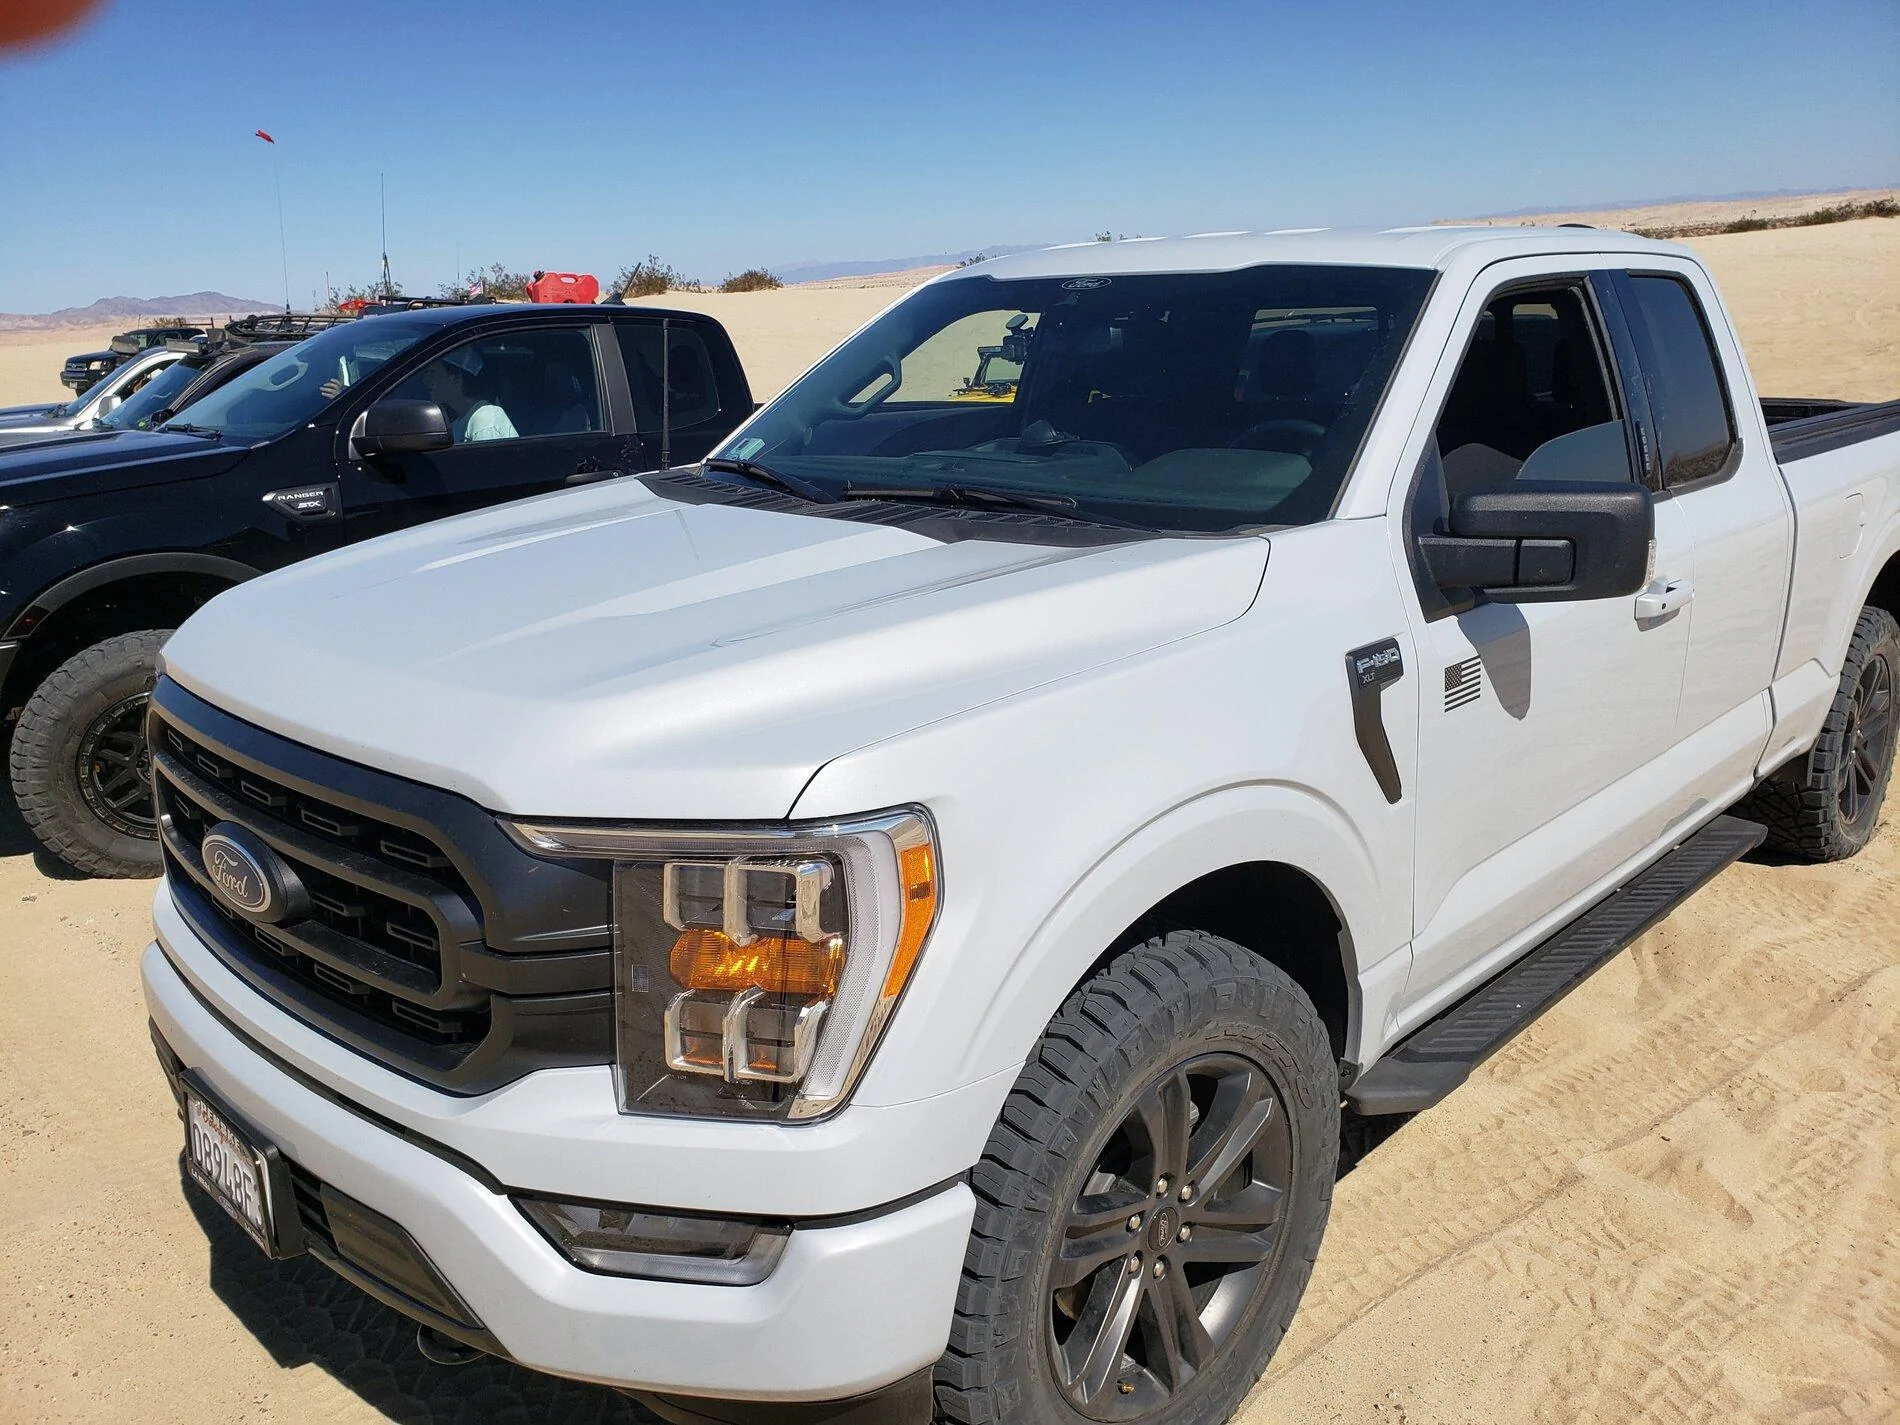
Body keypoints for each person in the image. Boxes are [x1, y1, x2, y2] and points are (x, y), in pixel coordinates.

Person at [420, 349, 517, 442]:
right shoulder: (460, 423)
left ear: (456, 379)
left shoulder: (485, 420)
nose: (426, 381)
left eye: (432, 373)